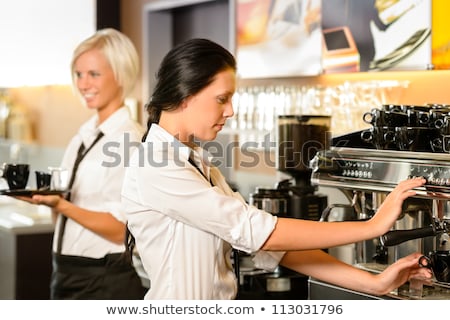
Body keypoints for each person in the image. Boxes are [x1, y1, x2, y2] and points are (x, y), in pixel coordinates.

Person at [121, 38, 431, 299]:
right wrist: (371, 226)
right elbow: (255, 231)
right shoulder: (155, 165)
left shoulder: (200, 166)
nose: (230, 111)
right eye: (222, 99)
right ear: (185, 95)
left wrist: (375, 283)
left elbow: (274, 248)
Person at [20, 28, 147, 299]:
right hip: (65, 272)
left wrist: (61, 205)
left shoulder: (129, 141)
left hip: (104, 280)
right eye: (79, 74)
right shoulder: (83, 136)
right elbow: (65, 205)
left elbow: (122, 230)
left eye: (94, 74)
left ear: (121, 74)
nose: (83, 84)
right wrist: (48, 199)